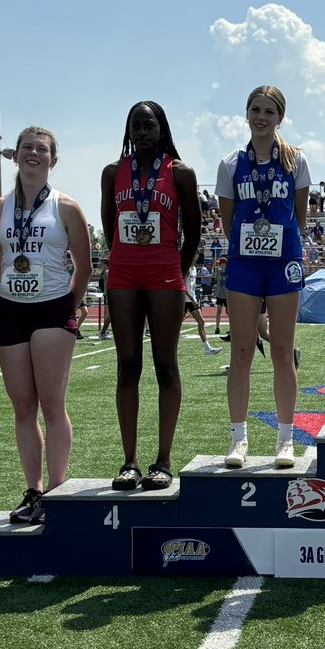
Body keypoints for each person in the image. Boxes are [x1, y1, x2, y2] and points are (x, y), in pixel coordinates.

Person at [0, 126, 91, 524]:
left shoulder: (66, 207)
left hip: (52, 309)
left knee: (52, 404)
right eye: (27, 148)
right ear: (15, 156)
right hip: (13, 309)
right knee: (22, 406)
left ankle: (58, 491)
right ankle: (32, 491)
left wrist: (70, 304)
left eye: (42, 149)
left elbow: (83, 265)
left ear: (53, 159)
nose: (33, 154)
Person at [101, 101, 200, 491]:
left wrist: (177, 267)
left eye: (149, 125)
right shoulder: (113, 173)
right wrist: (126, 257)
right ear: (128, 131)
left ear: (162, 130)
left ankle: (162, 460)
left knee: (165, 366)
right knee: (127, 365)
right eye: (136, 126)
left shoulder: (181, 173)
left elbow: (192, 231)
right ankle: (129, 461)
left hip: (164, 273)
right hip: (124, 274)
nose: (142, 132)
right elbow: (110, 226)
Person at [217, 85, 309, 468]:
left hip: (283, 261)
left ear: (280, 117)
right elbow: (227, 220)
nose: (261, 116)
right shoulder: (229, 164)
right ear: (246, 112)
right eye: (255, 109)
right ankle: (239, 440)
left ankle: (284, 440)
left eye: (269, 111)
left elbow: (299, 217)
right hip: (245, 263)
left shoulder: (296, 161)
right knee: (241, 351)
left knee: (282, 351)